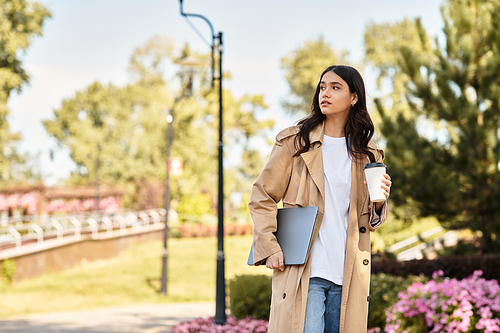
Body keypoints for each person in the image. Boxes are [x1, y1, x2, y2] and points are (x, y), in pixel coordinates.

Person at [248, 65, 391, 333]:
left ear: (354, 97)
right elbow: (262, 195)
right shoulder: (295, 142)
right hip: (306, 270)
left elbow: (368, 220)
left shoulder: (368, 154)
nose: (325, 93)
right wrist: (269, 246)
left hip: (348, 273)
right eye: (323, 87)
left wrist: (380, 202)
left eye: (335, 87)